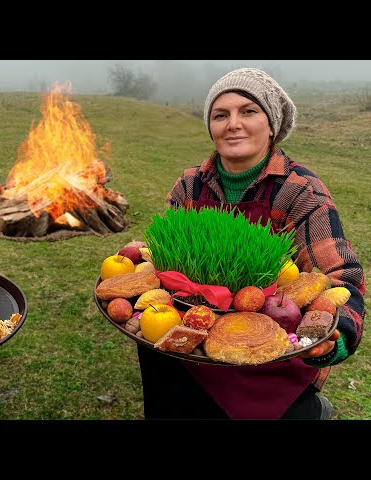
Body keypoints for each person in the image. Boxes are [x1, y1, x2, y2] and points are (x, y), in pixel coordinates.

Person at [137, 67, 366, 420]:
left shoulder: (298, 188)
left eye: (248, 111)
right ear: (210, 126)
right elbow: (164, 255)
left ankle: (309, 408)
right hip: (187, 335)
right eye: (220, 115)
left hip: (270, 346)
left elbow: (342, 276)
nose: (233, 124)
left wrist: (335, 337)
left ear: (271, 125)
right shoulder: (189, 184)